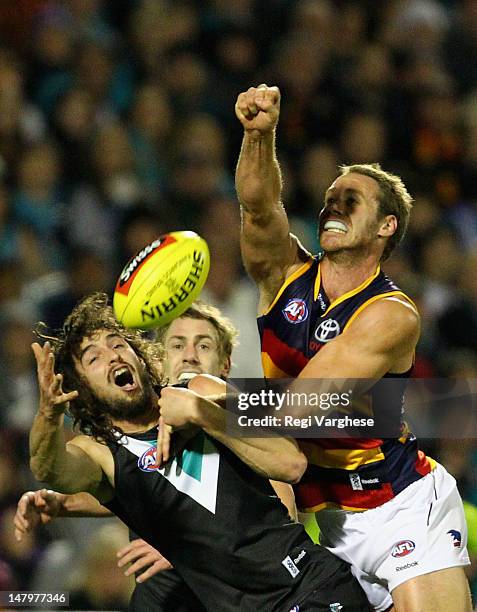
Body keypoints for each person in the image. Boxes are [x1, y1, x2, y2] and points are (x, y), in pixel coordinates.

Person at [233, 84, 472, 612]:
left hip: (399, 504)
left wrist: (209, 404)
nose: (332, 207)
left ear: (387, 227)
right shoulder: (283, 277)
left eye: (351, 200)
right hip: (326, 522)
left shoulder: (391, 314)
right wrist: (258, 135)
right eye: (328, 200)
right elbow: (257, 205)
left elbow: (304, 404)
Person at [28, 292, 371, 611]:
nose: (113, 355)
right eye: (94, 358)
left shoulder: (201, 389)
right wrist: (48, 415)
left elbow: (291, 463)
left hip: (308, 586)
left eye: (118, 344)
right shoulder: (101, 453)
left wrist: (200, 413)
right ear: (83, 389)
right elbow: (51, 469)